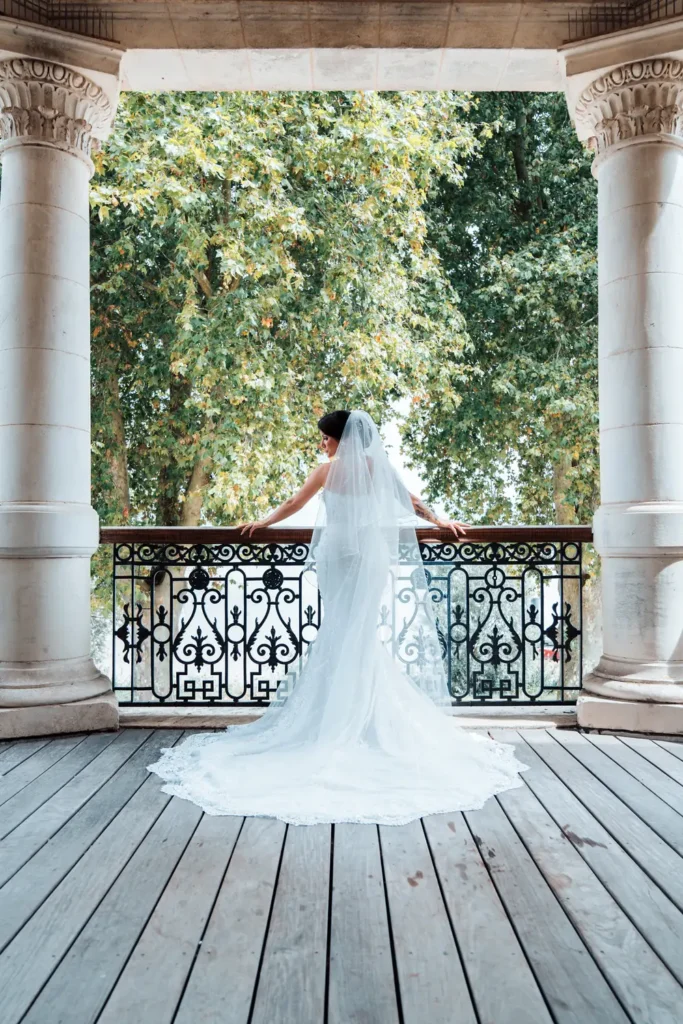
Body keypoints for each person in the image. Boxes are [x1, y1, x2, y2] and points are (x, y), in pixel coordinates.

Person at [147, 410, 527, 824]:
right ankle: (363, 717)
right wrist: (440, 521)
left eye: (325, 438)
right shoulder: (377, 468)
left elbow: (295, 503)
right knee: (358, 635)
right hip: (370, 559)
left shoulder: (328, 472)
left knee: (344, 633)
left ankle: (342, 718)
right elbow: (412, 503)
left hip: (339, 556)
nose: (322, 445)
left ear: (339, 440)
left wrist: (263, 522)